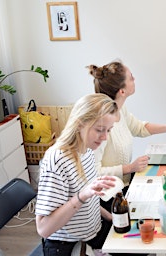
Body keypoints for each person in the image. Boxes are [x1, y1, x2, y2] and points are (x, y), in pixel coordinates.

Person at [87, 60, 166, 201]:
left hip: (124, 186)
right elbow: (94, 173)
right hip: (108, 197)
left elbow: (139, 128)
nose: (134, 80)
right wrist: (129, 168)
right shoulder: (100, 125)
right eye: (131, 77)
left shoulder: (120, 110)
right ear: (122, 91)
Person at [35, 93, 120, 256]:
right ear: (80, 123)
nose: (105, 137)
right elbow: (43, 228)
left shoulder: (86, 150)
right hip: (66, 245)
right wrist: (82, 195)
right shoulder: (57, 160)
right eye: (100, 130)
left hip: (93, 232)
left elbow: (90, 200)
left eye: (109, 130)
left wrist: (111, 217)